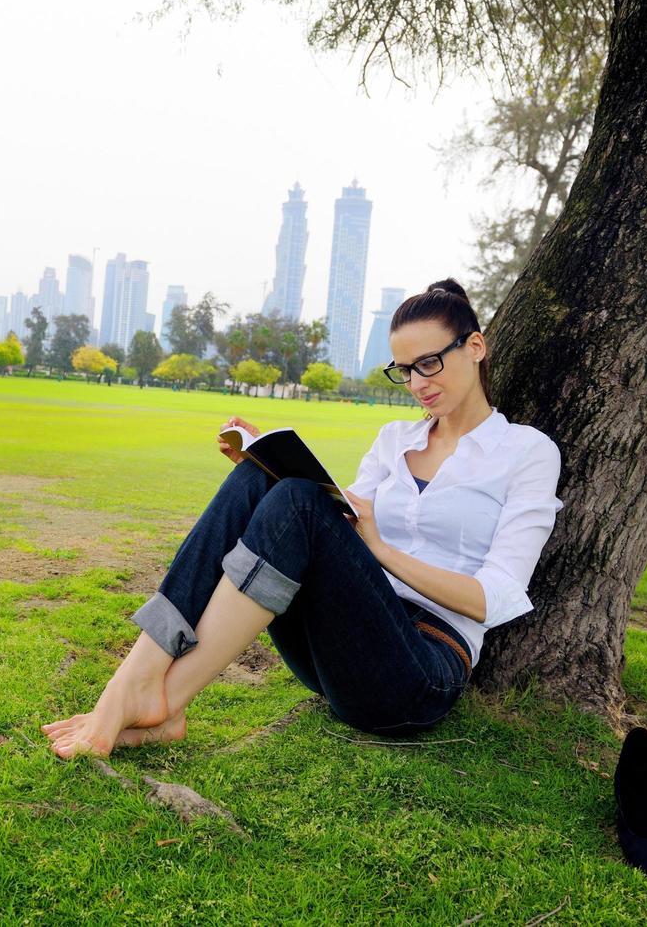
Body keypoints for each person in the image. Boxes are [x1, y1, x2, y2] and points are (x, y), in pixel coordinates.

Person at [42, 279, 563, 758]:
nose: (417, 383)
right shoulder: (394, 440)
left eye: (429, 363)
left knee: (295, 500)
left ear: (475, 347)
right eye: (404, 370)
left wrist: (383, 552)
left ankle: (154, 700)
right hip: (336, 647)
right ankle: (142, 681)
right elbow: (334, 518)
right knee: (261, 479)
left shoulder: (525, 451)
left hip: (420, 671)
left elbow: (497, 599)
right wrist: (268, 463)